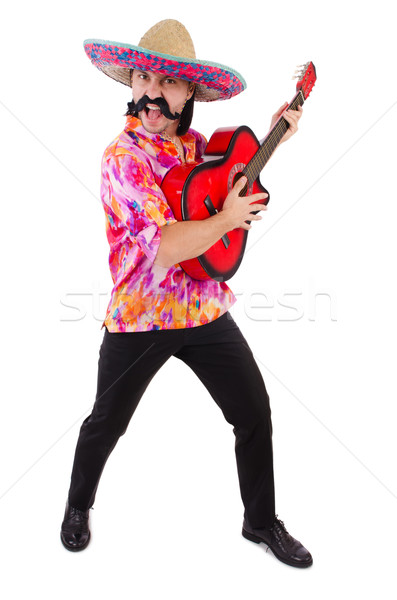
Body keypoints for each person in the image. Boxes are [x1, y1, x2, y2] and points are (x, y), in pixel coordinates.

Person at [61, 19, 312, 568]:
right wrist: (227, 219)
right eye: (144, 79)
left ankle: (261, 521)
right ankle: (77, 507)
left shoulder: (200, 148)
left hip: (202, 308)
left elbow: (231, 185)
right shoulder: (122, 159)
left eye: (168, 82)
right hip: (141, 317)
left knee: (254, 412)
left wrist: (275, 140)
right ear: (130, 85)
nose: (152, 94)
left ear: (190, 93)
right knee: (107, 422)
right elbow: (167, 246)